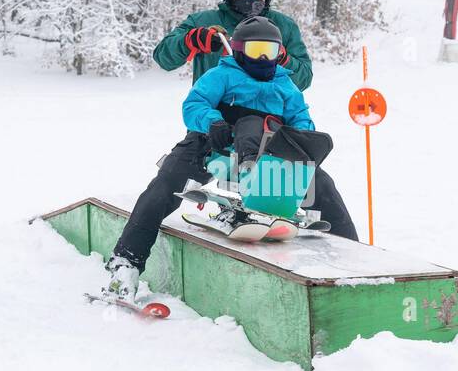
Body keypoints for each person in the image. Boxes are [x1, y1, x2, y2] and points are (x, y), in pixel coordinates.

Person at [100, 17, 357, 302]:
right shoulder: (223, 74)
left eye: (269, 51)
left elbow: (302, 121)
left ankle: (356, 263)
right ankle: (127, 262)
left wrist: (295, 144)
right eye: (256, 49)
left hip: (263, 153)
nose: (262, 57)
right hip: (211, 144)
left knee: (322, 184)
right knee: (163, 187)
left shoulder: (286, 85)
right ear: (237, 50)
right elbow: (194, 103)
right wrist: (212, 122)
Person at [154, 0, 313, 91]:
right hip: (212, 118)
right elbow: (163, 58)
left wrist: (281, 58)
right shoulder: (203, 21)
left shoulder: (283, 25)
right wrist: (191, 40)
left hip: (268, 121)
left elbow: (304, 80)